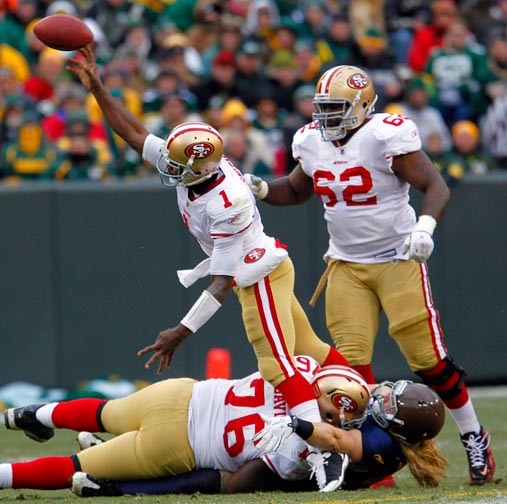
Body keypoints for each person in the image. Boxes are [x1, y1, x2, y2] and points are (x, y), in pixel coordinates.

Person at [64, 45, 349, 424]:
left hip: (258, 275)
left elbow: (221, 283)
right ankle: (366, 396)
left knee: (277, 366)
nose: (167, 167)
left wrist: (180, 333)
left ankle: (321, 440)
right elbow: (135, 134)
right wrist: (98, 89)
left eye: (176, 165)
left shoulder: (228, 202)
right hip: (258, 269)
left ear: (199, 168)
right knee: (310, 349)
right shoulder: (196, 162)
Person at [245, 64, 495, 486]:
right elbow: (298, 188)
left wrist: (425, 227)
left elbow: (436, 186)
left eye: (336, 107)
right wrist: (265, 190)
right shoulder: (311, 140)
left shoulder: (385, 135)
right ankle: (373, 462)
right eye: (323, 107)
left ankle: (473, 434)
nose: (326, 116)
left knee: (429, 361)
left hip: (398, 259)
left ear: (363, 106)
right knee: (350, 373)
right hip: (345, 264)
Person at [0, 356, 360, 493]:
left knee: (103, 413)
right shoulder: (306, 450)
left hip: (182, 394)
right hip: (178, 445)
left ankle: (33, 414)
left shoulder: (302, 366)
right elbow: (240, 482)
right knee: (75, 467)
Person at [69, 373, 448, 496]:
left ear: (398, 428)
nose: (383, 396)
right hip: (314, 444)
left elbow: (335, 441)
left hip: (303, 469)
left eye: (392, 404)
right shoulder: (397, 429)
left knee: (225, 479)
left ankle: (115, 488)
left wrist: (298, 424)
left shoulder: (379, 445)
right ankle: (118, 458)